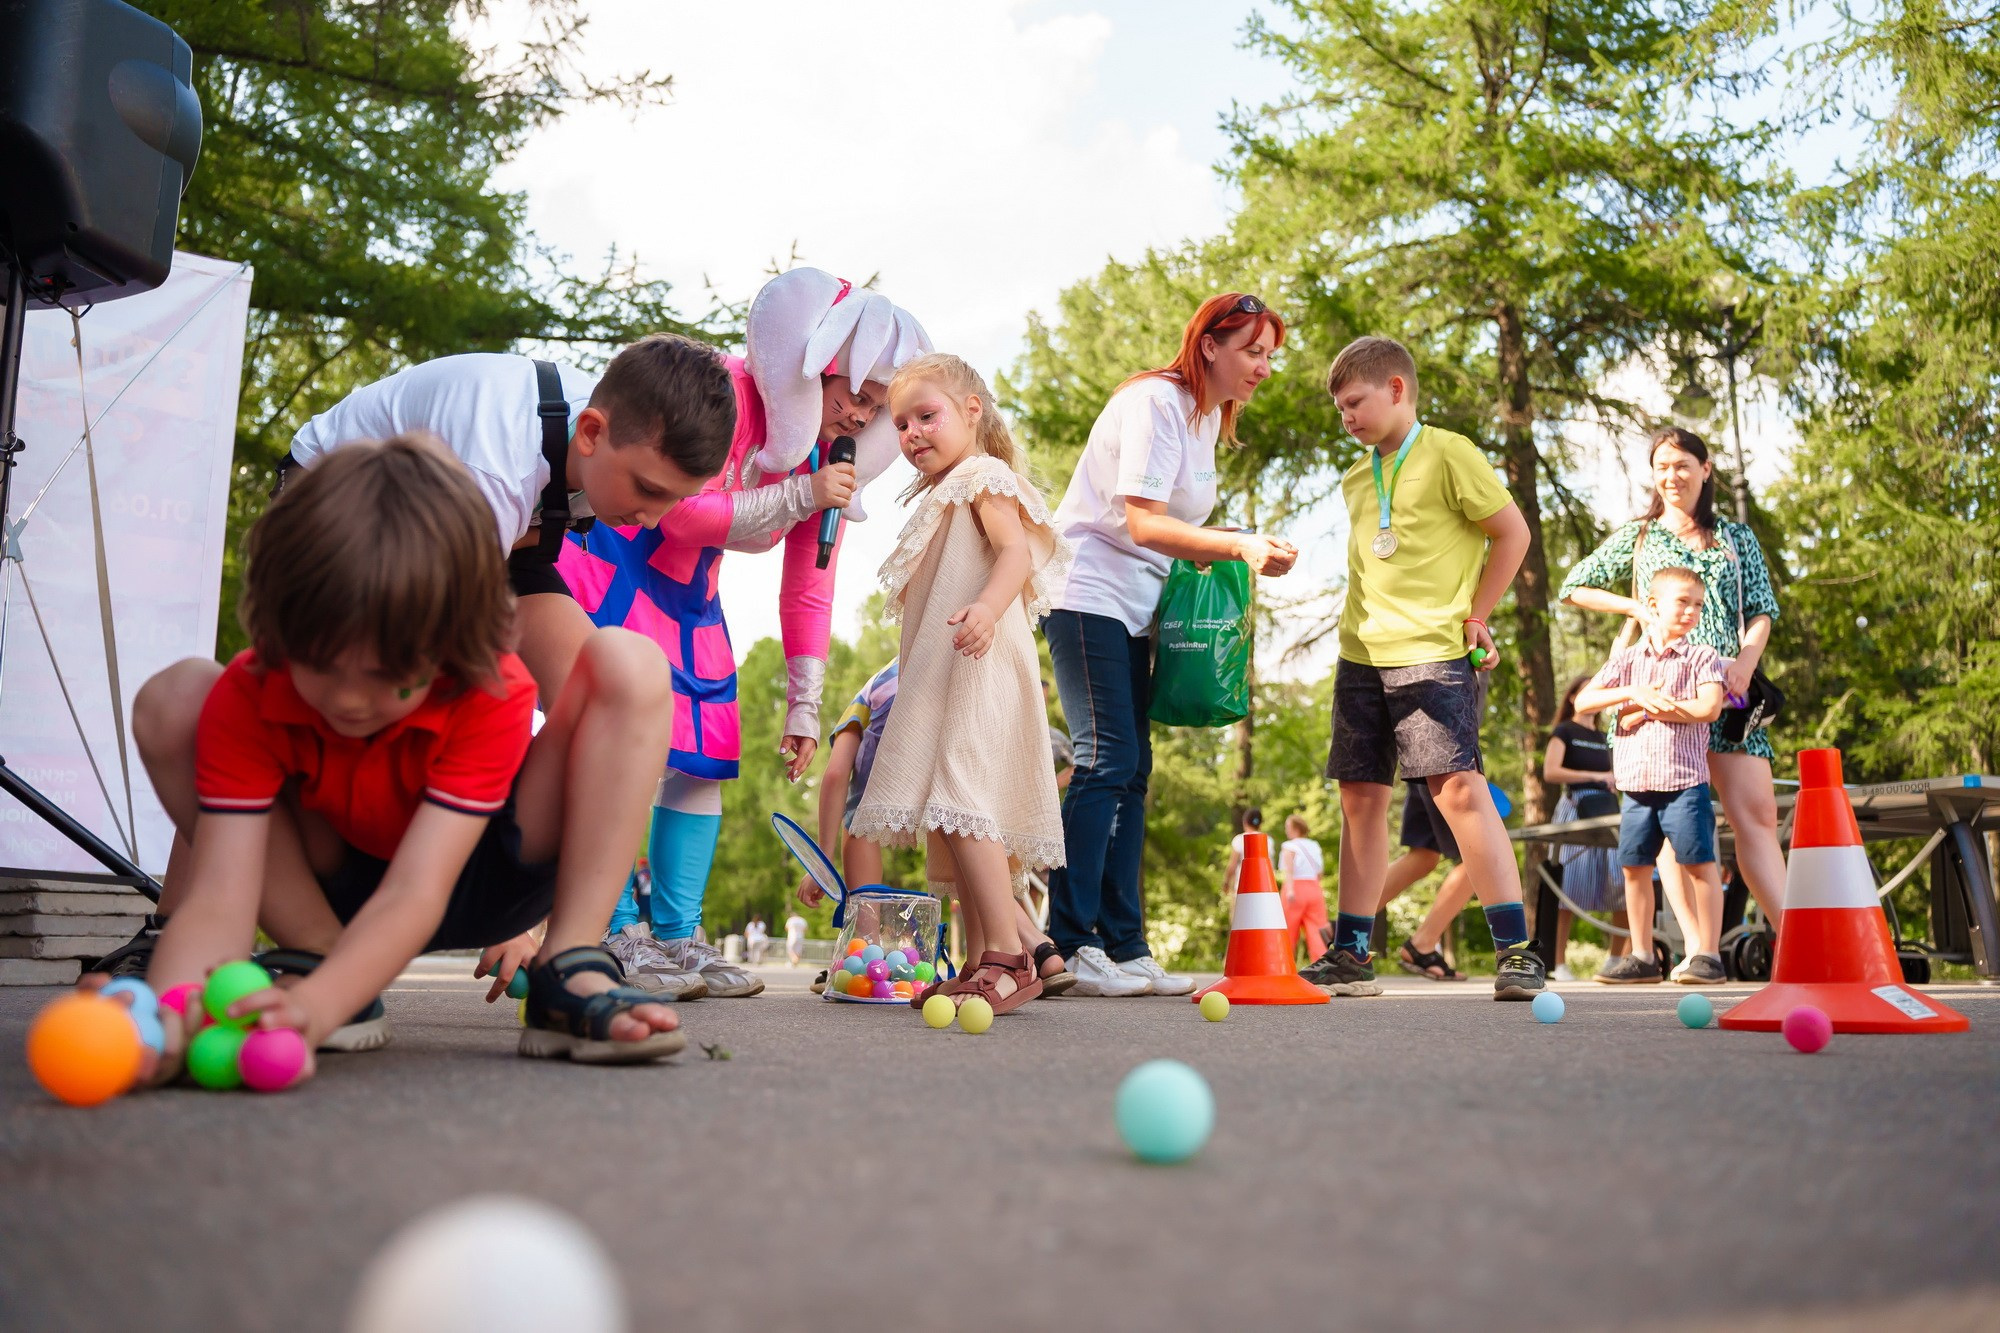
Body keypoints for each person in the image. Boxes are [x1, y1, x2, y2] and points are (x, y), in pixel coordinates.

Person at [122, 437, 681, 1083]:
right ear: (277, 630)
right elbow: (219, 896)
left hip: (479, 875)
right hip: (335, 888)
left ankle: (570, 966)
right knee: (178, 693)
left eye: (390, 676)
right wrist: (170, 1013)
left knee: (631, 662)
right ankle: (318, 953)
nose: (349, 700)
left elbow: (418, 891)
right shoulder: (255, 689)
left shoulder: (486, 684)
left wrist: (313, 1008)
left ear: (451, 644)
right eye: (320, 667)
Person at [576, 269, 931, 1002]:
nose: (858, 417)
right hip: (625, 560)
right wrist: (802, 494)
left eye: (875, 407)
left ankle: (677, 937)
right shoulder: (732, 397)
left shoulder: (824, 456)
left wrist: (806, 704)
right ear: (815, 365)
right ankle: (610, 931)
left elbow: (810, 581)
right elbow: (675, 510)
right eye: (850, 394)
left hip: (692, 595)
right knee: (627, 750)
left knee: (703, 762)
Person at [1046, 293, 1296, 998]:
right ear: (1210, 345)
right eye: (1253, 350)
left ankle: (1125, 944)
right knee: (1105, 759)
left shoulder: (1207, 417)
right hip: (1086, 595)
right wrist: (1239, 544)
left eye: (1270, 354)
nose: (1264, 367)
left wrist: (1227, 554)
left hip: (1137, 609)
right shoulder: (1155, 401)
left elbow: (1171, 537)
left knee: (1135, 770)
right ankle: (1071, 940)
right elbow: (1145, 523)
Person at [1308, 335, 1546, 1000]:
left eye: (1354, 402)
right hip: (1360, 656)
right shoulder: (1356, 479)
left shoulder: (1450, 452)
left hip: (1433, 653)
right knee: (1360, 799)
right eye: (1338, 408)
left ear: (1395, 389)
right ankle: (1352, 953)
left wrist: (1478, 615)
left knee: (1459, 791)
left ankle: (1518, 950)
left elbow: (1513, 532)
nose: (1346, 417)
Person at [847, 354, 1070, 1018]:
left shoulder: (982, 477)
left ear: (972, 410)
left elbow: (1014, 553)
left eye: (926, 416)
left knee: (963, 792)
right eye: (902, 424)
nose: (913, 433)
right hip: (947, 671)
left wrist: (987, 609)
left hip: (981, 661)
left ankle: (1008, 951)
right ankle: (980, 955)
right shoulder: (947, 490)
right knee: (951, 808)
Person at [1558, 427, 1786, 938]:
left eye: (1682, 464)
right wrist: (1634, 605)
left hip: (1724, 696)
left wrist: (1746, 662)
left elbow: (1763, 610)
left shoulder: (1734, 537)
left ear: (1706, 470)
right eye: (1661, 466)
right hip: (1653, 698)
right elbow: (1572, 586)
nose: (1671, 476)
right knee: (1666, 832)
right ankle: (1694, 951)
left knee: (1757, 818)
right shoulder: (1640, 537)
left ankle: (1796, 943)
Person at [1574, 567, 1729, 983]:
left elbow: (1708, 708)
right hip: (1637, 788)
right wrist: (1631, 694)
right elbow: (1584, 703)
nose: (1691, 611)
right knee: (1635, 868)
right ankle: (1642, 956)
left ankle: (1708, 955)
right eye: (1682, 602)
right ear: (1653, 605)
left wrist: (1648, 710)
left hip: (1684, 785)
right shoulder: (1627, 661)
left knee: (1698, 863)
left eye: (1698, 604)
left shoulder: (1702, 657)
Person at [1544, 674, 1628, 980]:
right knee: (1569, 885)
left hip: (1609, 810)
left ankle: (1616, 959)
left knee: (1624, 881)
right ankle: (1558, 964)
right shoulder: (1564, 731)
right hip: (1575, 809)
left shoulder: (1607, 736)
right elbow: (1551, 772)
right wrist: (1594, 778)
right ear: (1573, 697)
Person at [1277, 816, 1330, 967]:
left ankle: (1283, 966)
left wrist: (1290, 889)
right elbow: (1320, 873)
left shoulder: (1289, 846)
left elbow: (1289, 870)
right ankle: (1322, 967)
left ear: (1295, 828)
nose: (1286, 829)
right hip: (1314, 889)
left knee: (1287, 931)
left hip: (1295, 888)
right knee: (1317, 931)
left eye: (1288, 826)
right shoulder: (1315, 845)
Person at [1221, 807, 1265, 901]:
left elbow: (1232, 866)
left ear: (1245, 822)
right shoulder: (1268, 841)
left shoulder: (1239, 840)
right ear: (1260, 823)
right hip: (1263, 889)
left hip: (1243, 888)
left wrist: (1226, 883)